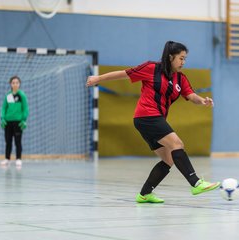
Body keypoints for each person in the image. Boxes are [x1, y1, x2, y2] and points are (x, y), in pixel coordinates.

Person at [86, 41, 220, 203]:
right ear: (170, 57)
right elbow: (123, 74)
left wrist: (203, 101)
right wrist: (97, 78)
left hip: (152, 120)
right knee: (177, 144)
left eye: (185, 59)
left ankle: (144, 194)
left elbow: (191, 96)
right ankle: (196, 183)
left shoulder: (180, 79)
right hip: (147, 116)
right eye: (181, 58)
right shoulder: (151, 68)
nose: (183, 62)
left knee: (168, 159)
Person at [0, 76, 29, 168]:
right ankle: (7, 159)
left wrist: (24, 120)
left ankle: (18, 159)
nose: (15, 84)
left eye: (17, 82)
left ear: (19, 84)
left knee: (18, 141)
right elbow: (4, 108)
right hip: (8, 122)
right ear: (10, 84)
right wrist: (3, 118)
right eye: (13, 82)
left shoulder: (22, 95)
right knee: (8, 141)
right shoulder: (8, 95)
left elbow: (25, 108)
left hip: (18, 122)